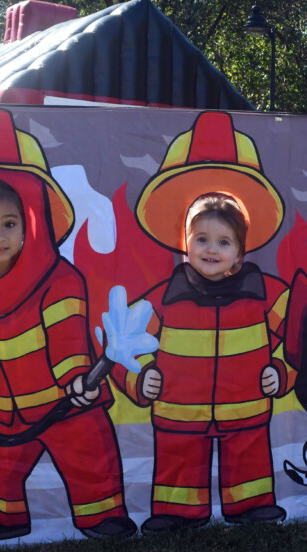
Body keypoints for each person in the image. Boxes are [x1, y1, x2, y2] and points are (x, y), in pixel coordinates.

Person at [0, 109, 136, 543]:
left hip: (67, 405)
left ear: (30, 221)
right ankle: (4, 515)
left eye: (10, 224)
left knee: (89, 458)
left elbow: (69, 335)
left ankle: (102, 516)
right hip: (4, 411)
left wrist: (77, 379)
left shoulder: (59, 278)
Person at [114, 193, 290, 534]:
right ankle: (176, 513)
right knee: (178, 458)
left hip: (246, 408)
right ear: (186, 244)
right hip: (178, 411)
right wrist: (141, 377)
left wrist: (281, 372)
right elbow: (125, 342)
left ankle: (252, 507)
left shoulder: (266, 294)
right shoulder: (164, 297)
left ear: (239, 253)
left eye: (224, 242)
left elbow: (299, 337)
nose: (211, 249)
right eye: (202, 239)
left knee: (248, 457)